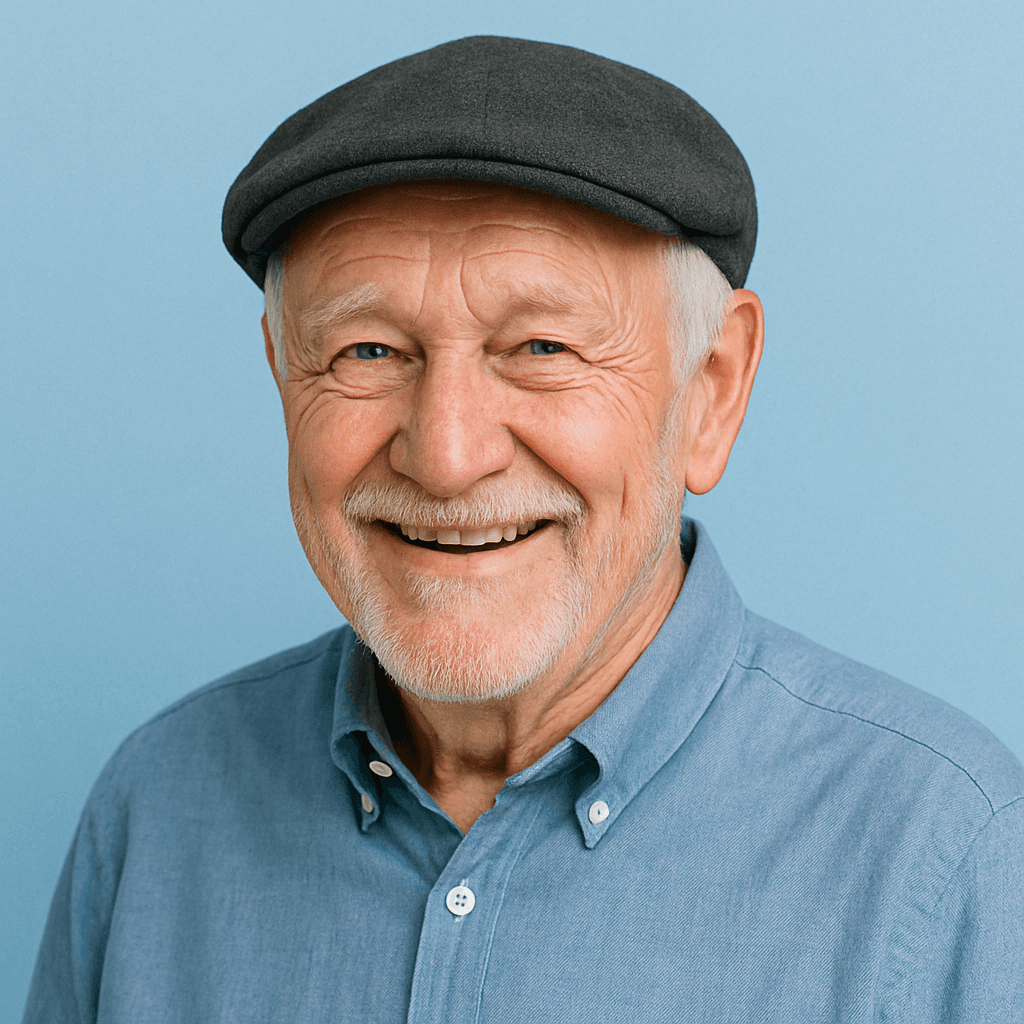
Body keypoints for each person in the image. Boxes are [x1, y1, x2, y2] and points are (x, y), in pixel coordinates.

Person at [24, 36, 1024, 1023]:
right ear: (283, 374)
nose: (447, 455)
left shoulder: (943, 856)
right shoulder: (155, 813)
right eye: (369, 350)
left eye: (541, 346)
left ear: (711, 392)